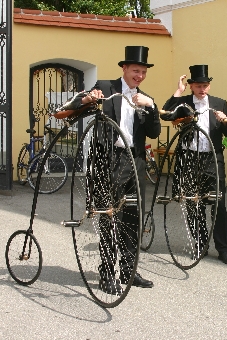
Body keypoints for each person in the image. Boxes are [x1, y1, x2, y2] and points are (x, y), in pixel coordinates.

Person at [72, 46, 161, 294]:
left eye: (143, 72)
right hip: (110, 160)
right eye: (136, 70)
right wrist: (90, 98)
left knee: (133, 217)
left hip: (135, 162)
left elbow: (154, 133)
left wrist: (151, 106)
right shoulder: (105, 86)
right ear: (124, 69)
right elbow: (80, 102)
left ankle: (129, 271)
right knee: (110, 217)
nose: (139, 76)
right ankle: (107, 272)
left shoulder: (145, 97)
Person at [161, 65, 227, 265]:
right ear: (191, 86)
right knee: (195, 203)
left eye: (205, 85)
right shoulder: (184, 102)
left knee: (218, 204)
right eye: (198, 86)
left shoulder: (220, 103)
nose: (202, 89)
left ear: (209, 86)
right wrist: (178, 91)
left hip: (212, 159)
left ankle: (223, 249)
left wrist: (225, 121)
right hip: (189, 159)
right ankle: (200, 244)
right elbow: (166, 114)